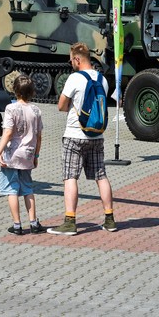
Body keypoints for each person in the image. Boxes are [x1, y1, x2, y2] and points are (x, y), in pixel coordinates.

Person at [48, 42, 117, 235]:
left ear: (77, 59)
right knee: (101, 176)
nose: (71, 64)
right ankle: (109, 219)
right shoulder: (102, 79)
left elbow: (61, 106)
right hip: (96, 135)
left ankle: (70, 222)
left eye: (71, 60)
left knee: (70, 177)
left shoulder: (74, 78)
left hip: (74, 135)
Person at [0, 74, 44, 235]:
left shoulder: (11, 108)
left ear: (15, 91)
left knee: (12, 189)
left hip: (12, 154)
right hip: (28, 155)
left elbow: (8, 132)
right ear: (32, 92)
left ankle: (17, 225)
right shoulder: (36, 110)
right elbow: (39, 136)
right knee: (28, 188)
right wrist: (36, 156)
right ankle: (34, 222)